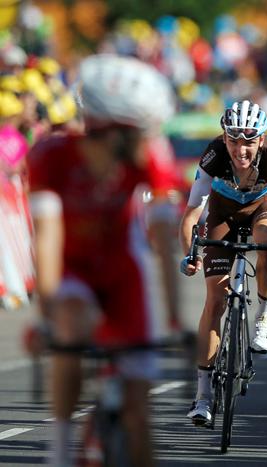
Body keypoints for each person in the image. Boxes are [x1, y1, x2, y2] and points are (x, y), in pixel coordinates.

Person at [27, 54, 177, 467]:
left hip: (122, 273)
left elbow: (164, 242)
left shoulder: (151, 155)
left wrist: (177, 321)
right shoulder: (51, 156)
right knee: (71, 328)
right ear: (110, 131)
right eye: (140, 132)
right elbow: (48, 240)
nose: (149, 140)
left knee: (138, 414)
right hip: (73, 268)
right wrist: (46, 315)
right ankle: (58, 449)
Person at [179, 100, 267, 425]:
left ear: (261, 140)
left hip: (265, 206)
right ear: (225, 137)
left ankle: (263, 317)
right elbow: (192, 213)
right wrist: (189, 253)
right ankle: (203, 396)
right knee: (215, 299)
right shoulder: (214, 155)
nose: (241, 149)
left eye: (249, 141)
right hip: (223, 211)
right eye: (234, 140)